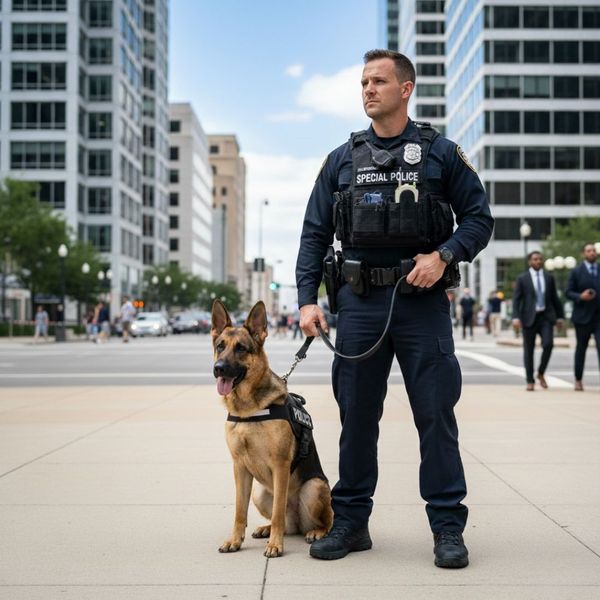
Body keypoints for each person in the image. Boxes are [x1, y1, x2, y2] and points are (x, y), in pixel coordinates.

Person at [296, 49, 493, 567]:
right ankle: (352, 524)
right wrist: (305, 301)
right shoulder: (341, 159)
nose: (367, 89)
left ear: (405, 89)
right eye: (363, 81)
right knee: (357, 418)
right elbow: (314, 234)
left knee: (435, 416)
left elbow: (479, 219)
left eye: (378, 81)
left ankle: (448, 528)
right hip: (358, 304)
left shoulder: (441, 154)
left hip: (421, 303)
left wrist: (445, 253)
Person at [512, 251, 564, 391]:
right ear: (530, 262)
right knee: (528, 351)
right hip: (528, 318)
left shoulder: (549, 277)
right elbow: (517, 299)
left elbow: (555, 298)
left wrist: (560, 317)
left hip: (546, 317)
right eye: (535, 259)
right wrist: (515, 317)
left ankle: (540, 372)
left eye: (540, 259)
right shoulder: (522, 278)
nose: (538, 261)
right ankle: (530, 380)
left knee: (548, 344)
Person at [565, 242, 600, 391]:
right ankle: (578, 379)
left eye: (593, 250)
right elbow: (568, 292)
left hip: (599, 317)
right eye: (588, 251)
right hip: (582, 317)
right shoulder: (576, 271)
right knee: (581, 349)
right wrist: (581, 296)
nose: (591, 253)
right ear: (583, 254)